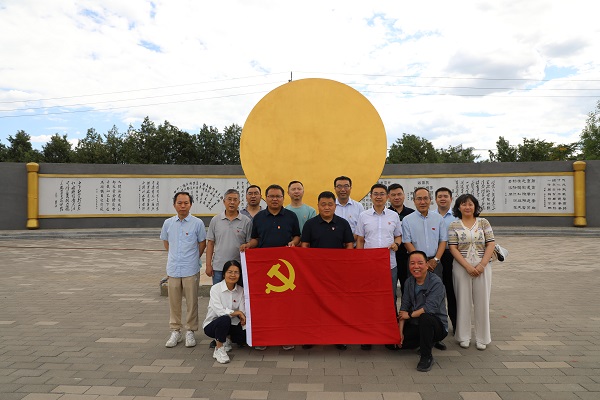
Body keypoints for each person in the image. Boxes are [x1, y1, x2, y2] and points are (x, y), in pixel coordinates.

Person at [240, 184, 301, 351]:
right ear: (266, 198)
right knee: (264, 304)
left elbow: (297, 236)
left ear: (283, 198)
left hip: (286, 267)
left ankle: (285, 337)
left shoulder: (291, 216)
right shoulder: (259, 217)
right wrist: (248, 245)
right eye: (272, 196)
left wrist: (294, 243)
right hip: (264, 268)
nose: (275, 199)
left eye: (278, 196)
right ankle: (263, 337)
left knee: (285, 305)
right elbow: (256, 239)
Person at [300, 190, 354, 350]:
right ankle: (311, 336)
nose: (327, 207)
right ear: (318, 206)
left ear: (335, 206)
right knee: (313, 305)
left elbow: (349, 245)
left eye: (330, 204)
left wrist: (346, 265)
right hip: (314, 274)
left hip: (337, 273)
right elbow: (304, 247)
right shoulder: (310, 224)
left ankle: (338, 337)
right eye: (323, 204)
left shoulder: (343, 223)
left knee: (337, 305)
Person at [356, 183, 402, 351]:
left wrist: (396, 244)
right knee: (368, 300)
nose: (379, 196)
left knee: (389, 300)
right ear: (371, 196)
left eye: (382, 194)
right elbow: (360, 240)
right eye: (375, 194)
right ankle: (367, 336)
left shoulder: (394, 215)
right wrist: (360, 260)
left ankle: (388, 335)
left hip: (389, 264)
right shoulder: (363, 216)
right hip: (369, 265)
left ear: (387, 197)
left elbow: (398, 236)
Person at [448, 194, 496, 351]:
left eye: (470, 204)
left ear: (475, 206)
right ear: (458, 207)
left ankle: (482, 338)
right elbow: (453, 248)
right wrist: (467, 266)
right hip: (462, 267)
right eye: (463, 204)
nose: (467, 207)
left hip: (483, 267)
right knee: (463, 301)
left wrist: (482, 265)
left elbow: (490, 243)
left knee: (482, 302)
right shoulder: (454, 225)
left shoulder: (483, 223)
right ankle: (463, 336)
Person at [160, 192, 207, 348]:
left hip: (190, 268)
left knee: (192, 301)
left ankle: (190, 331)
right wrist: (175, 257)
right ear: (174, 205)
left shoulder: (197, 223)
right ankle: (175, 331)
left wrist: (193, 258)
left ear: (190, 204)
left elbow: (202, 243)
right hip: (173, 269)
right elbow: (166, 242)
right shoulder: (168, 223)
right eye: (179, 203)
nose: (183, 206)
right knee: (174, 302)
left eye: (186, 203)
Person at [398, 251, 448, 372]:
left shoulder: (436, 282)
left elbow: (429, 309)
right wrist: (399, 334)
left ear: (427, 265)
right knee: (392, 345)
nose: (416, 267)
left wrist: (409, 315)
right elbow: (403, 308)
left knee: (425, 317)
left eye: (420, 263)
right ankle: (423, 341)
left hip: (436, 325)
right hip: (416, 323)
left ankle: (427, 356)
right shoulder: (409, 282)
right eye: (412, 263)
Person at [202, 260, 247, 364]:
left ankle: (227, 339)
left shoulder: (241, 290)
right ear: (224, 274)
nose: (233, 275)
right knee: (224, 319)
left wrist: (243, 319)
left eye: (236, 272)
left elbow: (242, 311)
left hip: (232, 324)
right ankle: (219, 348)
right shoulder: (215, 289)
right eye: (230, 272)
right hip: (213, 325)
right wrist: (237, 313)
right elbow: (219, 311)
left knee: (245, 336)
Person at [206, 189, 252, 284]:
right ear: (224, 201)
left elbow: (249, 244)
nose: (232, 202)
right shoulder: (216, 220)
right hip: (219, 267)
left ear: (239, 202)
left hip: (238, 268)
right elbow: (210, 243)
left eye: (235, 200)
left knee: (238, 296)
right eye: (229, 199)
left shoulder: (246, 221)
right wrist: (208, 265)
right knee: (219, 296)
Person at [402, 187, 447, 279]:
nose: (422, 202)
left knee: (436, 290)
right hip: (416, 264)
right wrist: (421, 261)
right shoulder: (407, 220)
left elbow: (443, 240)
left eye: (425, 198)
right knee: (416, 291)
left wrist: (436, 259)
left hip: (435, 263)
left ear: (430, 200)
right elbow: (407, 242)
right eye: (419, 199)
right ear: (414, 201)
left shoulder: (438, 218)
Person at [433, 187, 458, 334]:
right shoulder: (430, 216)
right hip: (435, 256)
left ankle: (457, 325)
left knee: (452, 291)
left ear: (451, 198)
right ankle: (438, 326)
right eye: (440, 196)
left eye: (445, 196)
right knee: (436, 291)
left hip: (452, 256)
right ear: (435, 199)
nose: (443, 199)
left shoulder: (457, 216)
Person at [387, 183, 415, 297]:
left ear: (404, 195)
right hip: (390, 255)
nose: (396, 197)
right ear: (388, 197)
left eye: (399, 194)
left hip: (407, 255)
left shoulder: (412, 213)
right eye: (393, 195)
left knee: (407, 286)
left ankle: (407, 312)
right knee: (390, 288)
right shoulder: (385, 213)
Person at [333, 176, 365, 241]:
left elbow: (361, 228)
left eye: (346, 186)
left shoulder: (358, 206)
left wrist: (350, 241)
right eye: (339, 186)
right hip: (334, 246)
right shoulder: (330, 207)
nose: (343, 190)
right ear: (335, 188)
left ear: (350, 188)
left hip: (353, 245)